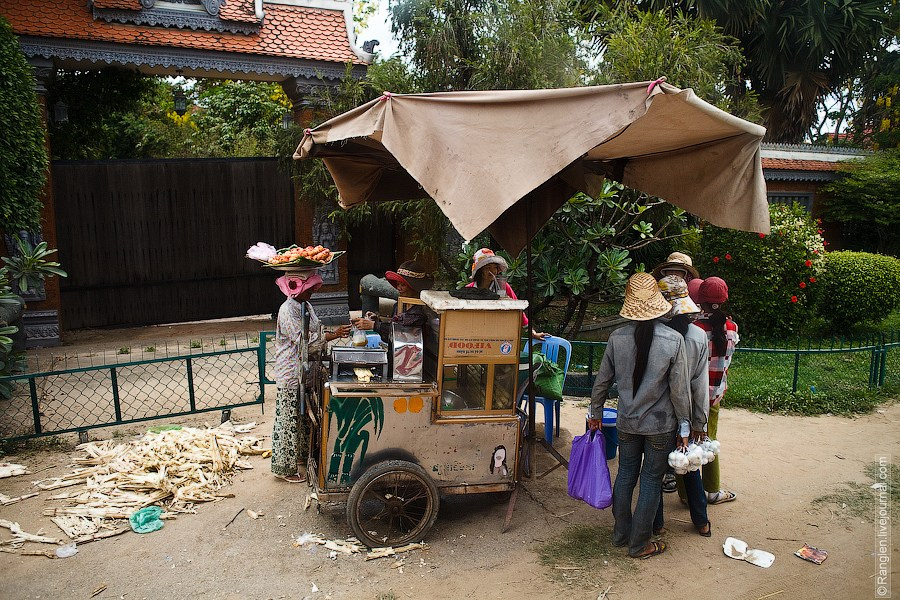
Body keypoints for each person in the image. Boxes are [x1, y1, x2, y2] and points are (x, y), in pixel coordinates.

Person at [588, 272, 692, 559]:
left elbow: (601, 382)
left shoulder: (616, 337)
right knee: (650, 481)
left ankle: (622, 534)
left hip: (626, 423)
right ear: (658, 304)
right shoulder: (673, 340)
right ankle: (640, 544)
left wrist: (595, 412)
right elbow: (680, 391)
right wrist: (685, 425)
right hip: (660, 426)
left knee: (625, 475)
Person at [272, 270, 351, 483]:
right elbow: (303, 341)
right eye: (308, 289)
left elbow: (315, 331)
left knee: (305, 417)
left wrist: (331, 333)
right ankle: (284, 468)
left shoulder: (306, 306)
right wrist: (333, 335)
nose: (312, 293)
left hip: (307, 370)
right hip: (291, 371)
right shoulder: (287, 310)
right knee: (289, 419)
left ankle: (301, 457)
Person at [654, 275, 712, 538]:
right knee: (689, 468)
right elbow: (700, 385)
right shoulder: (699, 336)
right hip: (686, 413)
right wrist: (699, 422)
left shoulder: (650, 334)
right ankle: (701, 521)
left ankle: (656, 524)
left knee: (652, 471)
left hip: (656, 414)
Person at [652, 251, 700, 494]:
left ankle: (674, 475)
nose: (674, 275)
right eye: (671, 271)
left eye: (679, 272)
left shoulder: (691, 326)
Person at [693, 276, 739, 505]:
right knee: (710, 442)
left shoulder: (693, 328)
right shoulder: (731, 327)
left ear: (699, 300)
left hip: (692, 397)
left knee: (688, 442)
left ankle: (687, 494)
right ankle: (712, 491)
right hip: (715, 397)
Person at [467, 248, 547, 340]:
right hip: (476, 334)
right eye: (488, 268)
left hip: (499, 332)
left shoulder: (503, 287)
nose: (492, 271)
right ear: (480, 271)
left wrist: (532, 333)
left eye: (494, 267)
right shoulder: (469, 289)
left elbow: (518, 308)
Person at [351, 260, 433, 340]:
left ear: (413, 288)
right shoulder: (399, 305)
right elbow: (393, 328)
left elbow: (402, 331)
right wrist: (377, 319)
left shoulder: (420, 310)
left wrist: (373, 325)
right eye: (398, 284)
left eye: (403, 285)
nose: (398, 288)